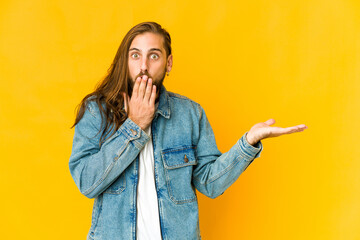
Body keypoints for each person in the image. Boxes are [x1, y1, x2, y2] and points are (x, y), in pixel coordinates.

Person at [68, 21, 308, 240]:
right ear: (125, 60)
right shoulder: (97, 111)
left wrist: (248, 143)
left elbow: (210, 184)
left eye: (154, 56)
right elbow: (87, 183)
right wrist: (135, 125)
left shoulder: (191, 114)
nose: (143, 66)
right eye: (135, 55)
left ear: (168, 63)